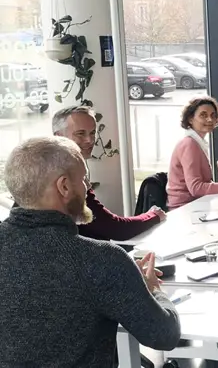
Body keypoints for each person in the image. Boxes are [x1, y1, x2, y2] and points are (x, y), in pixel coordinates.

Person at [0, 136, 181, 366]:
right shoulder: (100, 260)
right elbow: (164, 335)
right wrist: (154, 290)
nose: (87, 188)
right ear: (64, 186)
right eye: (84, 179)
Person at [10, 106, 165, 241]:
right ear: (59, 137)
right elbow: (114, 228)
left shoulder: (45, 166)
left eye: (92, 133)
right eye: (80, 133)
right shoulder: (65, 172)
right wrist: (153, 216)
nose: (89, 140)